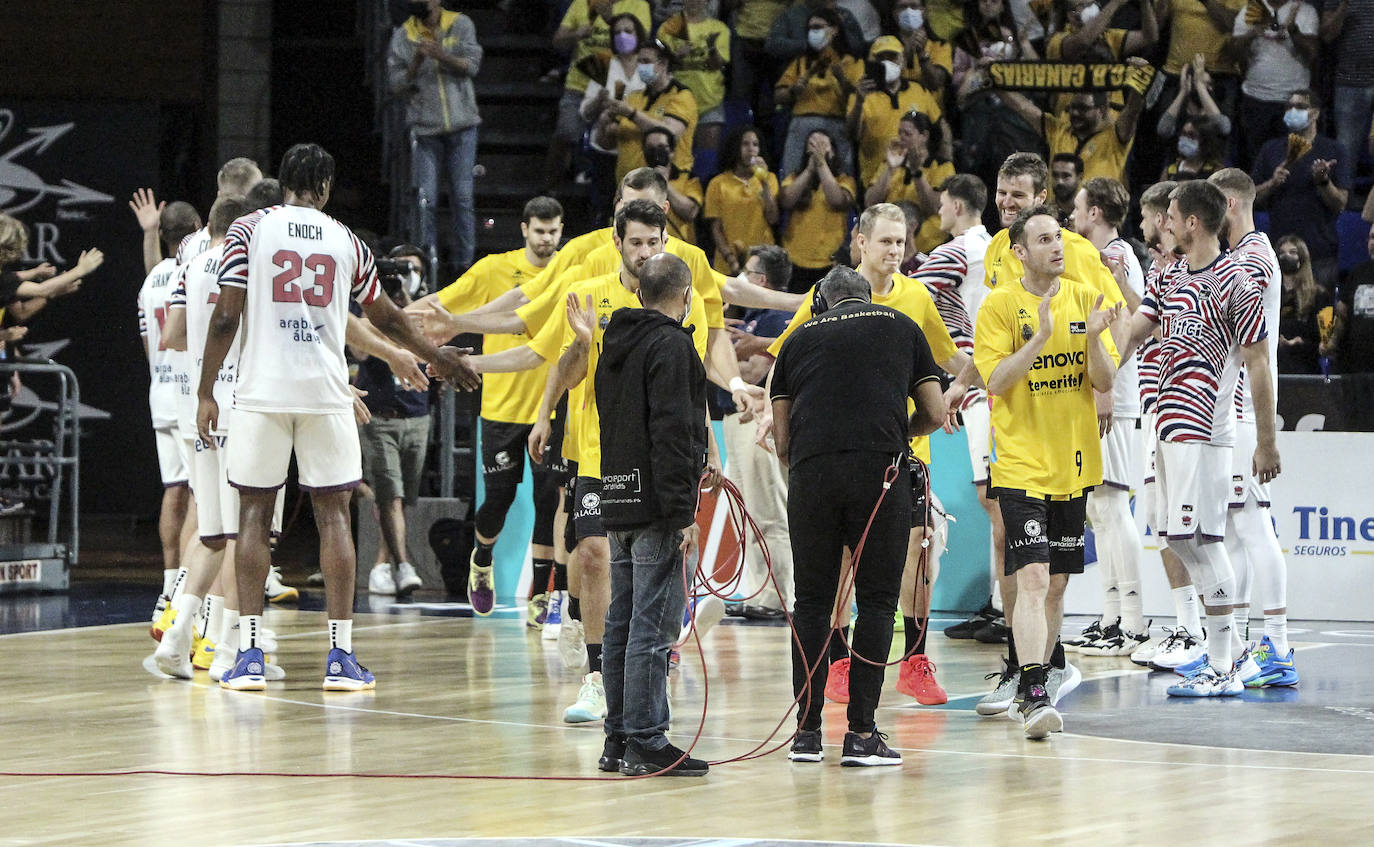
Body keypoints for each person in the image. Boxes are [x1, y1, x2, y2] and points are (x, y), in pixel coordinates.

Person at [198, 143, 481, 692]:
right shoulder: (346, 240)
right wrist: (439, 355)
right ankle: (341, 658)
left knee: (254, 516)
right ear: (324, 189)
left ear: (283, 184)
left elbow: (225, 317)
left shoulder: (249, 230)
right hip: (328, 394)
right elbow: (386, 317)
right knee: (334, 517)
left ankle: (250, 652)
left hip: (262, 392)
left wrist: (207, 390)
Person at [451, 199, 717, 724]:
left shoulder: (684, 301)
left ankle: (652, 658)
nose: (645, 251)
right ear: (616, 243)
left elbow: (689, 382)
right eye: (636, 241)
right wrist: (556, 392)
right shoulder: (586, 294)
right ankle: (596, 678)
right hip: (596, 452)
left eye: (654, 242)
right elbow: (562, 367)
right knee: (593, 553)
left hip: (657, 457)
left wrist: (703, 446)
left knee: (651, 562)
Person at [765, 203, 968, 707]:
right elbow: (785, 361)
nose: (895, 251)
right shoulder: (828, 292)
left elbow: (945, 357)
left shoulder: (917, 297)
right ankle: (836, 660)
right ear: (861, 242)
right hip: (837, 452)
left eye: (901, 242)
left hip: (899, 451)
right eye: (885, 242)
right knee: (837, 564)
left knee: (919, 552)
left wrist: (980, 372)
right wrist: (771, 413)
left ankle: (915, 659)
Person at [964, 152, 1126, 710]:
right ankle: (1028, 685)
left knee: (1056, 583)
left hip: (1074, 459)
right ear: (1019, 250)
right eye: (1044, 240)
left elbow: (1105, 371)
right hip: (1020, 460)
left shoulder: (1083, 288)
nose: (1057, 246)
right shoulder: (999, 305)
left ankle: (1042, 671)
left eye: (1058, 236)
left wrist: (1088, 341)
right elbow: (998, 380)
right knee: (1030, 576)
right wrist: (1038, 338)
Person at [770, 265, 945, 766]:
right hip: (879, 472)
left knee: (812, 604)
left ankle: (805, 734)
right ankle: (862, 734)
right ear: (867, 298)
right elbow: (934, 413)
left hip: (812, 476)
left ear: (821, 302)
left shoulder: (796, 340)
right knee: (875, 602)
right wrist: (896, 434)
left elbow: (782, 442)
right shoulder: (901, 325)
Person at [1116, 179, 1281, 698]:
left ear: (1192, 222)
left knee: (1205, 540)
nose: (1164, 220)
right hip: (1164, 426)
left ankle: (1223, 663)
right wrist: (1099, 367)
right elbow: (1135, 334)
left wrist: (1267, 441)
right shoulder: (1167, 278)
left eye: (1171, 212)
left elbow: (1259, 364)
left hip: (1207, 431)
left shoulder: (1237, 281)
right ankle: (1219, 656)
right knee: (1177, 539)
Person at [417, 197, 568, 618]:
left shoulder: (567, 275)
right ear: (523, 229)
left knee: (548, 501)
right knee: (498, 500)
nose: (547, 238)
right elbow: (441, 306)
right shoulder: (493, 269)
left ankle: (542, 592)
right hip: (501, 406)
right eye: (539, 230)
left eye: (554, 230)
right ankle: (481, 558)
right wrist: (388, 318)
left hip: (550, 409)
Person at [594, 252, 711, 777]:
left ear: (639, 292)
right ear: (685, 296)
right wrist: (682, 509)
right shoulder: (672, 344)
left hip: (616, 496)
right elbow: (672, 432)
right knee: (653, 627)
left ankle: (617, 738)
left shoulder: (613, 344)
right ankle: (647, 739)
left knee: (621, 621)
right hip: (658, 507)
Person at [152, 196, 253, 679]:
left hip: (197, 406)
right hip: (236, 406)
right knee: (239, 536)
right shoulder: (244, 263)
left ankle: (175, 638)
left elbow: (171, 335)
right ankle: (224, 650)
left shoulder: (188, 267)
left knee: (211, 533)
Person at [1209, 168, 1299, 687]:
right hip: (1233, 409)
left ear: (1229, 204)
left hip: (1245, 409)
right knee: (1239, 532)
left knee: (1252, 526)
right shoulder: (1242, 254)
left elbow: (1249, 343)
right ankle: (1242, 643)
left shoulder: (1255, 257)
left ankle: (1279, 646)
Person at [914, 175, 1005, 643]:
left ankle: (1007, 610)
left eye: (942, 204)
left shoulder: (957, 251)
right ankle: (997, 604)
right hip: (983, 381)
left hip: (978, 381)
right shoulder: (990, 246)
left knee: (996, 499)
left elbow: (905, 296)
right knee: (994, 498)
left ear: (954, 205)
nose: (939, 213)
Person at [1068, 177, 1149, 657]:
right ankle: (1111, 617)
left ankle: (1134, 624)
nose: (1072, 217)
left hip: (1114, 397)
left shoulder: (1118, 259)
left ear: (1095, 212)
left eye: (1078, 208)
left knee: (1114, 509)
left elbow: (1129, 329)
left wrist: (1107, 388)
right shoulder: (1099, 259)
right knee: (1099, 509)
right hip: (1100, 392)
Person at [1131, 180, 1207, 671]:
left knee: (1185, 528)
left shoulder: (1186, 276)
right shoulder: (1160, 275)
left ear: (1167, 221)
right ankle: (1188, 625)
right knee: (1162, 524)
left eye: (1151, 218)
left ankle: (1200, 630)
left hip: (1179, 415)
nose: (1145, 226)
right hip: (1154, 413)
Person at [355, 245, 436, 600]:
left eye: (412, 270)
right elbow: (359, 348)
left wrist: (405, 301)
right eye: (400, 271)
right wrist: (388, 308)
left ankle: (380, 566)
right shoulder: (370, 308)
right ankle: (402, 565)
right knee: (389, 495)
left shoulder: (430, 307)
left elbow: (426, 345)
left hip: (417, 414)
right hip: (380, 415)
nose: (406, 277)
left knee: (401, 499)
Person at [134, 202, 200, 625]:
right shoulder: (196, 270)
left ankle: (169, 587)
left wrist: (147, 233)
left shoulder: (149, 282)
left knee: (173, 489)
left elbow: (147, 346)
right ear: (196, 229)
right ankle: (194, 594)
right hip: (192, 393)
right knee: (201, 494)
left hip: (160, 392)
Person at [722, 246, 796, 618]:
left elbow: (752, 374)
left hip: (758, 419)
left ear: (760, 280)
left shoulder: (774, 320)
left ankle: (778, 597)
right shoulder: (750, 319)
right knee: (749, 512)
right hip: (736, 420)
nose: (738, 278)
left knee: (768, 511)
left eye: (745, 272)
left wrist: (723, 356)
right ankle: (757, 591)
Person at [386, 0, 483, 273]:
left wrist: (442, 56)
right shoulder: (403, 34)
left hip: (463, 126)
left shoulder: (460, 24)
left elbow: (472, 65)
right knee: (424, 200)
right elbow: (395, 85)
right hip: (425, 129)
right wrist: (416, 63)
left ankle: (465, 265)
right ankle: (424, 266)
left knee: (463, 198)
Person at [1252, 89, 1350, 291]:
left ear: (1315, 113)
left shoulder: (1334, 150)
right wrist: (1272, 183)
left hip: (1319, 252)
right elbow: (1250, 198)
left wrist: (1323, 182)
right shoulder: (1271, 149)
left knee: (1321, 317)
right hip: (1281, 250)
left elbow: (1340, 203)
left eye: (1300, 106)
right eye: (1289, 107)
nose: (1293, 110)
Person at [548, 0, 652, 188]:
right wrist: (576, 34)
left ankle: (596, 175)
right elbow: (558, 41)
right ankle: (551, 186)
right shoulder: (583, 3)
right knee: (566, 131)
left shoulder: (638, 4)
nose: (622, 35)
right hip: (580, 82)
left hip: (619, 78)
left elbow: (641, 40)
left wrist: (611, 20)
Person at [997, 68, 1149, 187]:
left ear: (1102, 110)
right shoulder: (1058, 130)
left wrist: (1141, 75)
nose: (1075, 113)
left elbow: (1132, 111)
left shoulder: (1115, 136)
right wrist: (994, 78)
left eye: (1083, 108)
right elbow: (1022, 106)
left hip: (1099, 221)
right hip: (1058, 221)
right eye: (1073, 107)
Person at [774, 8, 863, 177]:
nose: (812, 32)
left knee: (842, 177)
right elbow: (778, 96)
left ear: (834, 30)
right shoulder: (801, 62)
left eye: (818, 27)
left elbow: (858, 97)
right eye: (810, 28)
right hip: (802, 122)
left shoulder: (850, 62)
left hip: (837, 123)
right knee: (791, 176)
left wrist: (842, 79)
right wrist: (794, 91)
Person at [1231, 0, 1320, 170]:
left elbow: (1312, 54)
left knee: (1294, 161)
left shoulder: (1304, 11)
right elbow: (1232, 53)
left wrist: (1293, 31)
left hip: (1293, 102)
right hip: (1256, 99)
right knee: (1256, 161)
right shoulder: (1251, 11)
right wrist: (1252, 33)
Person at [597, 39, 699, 185]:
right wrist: (604, 121)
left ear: (663, 64)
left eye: (646, 61)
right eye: (639, 61)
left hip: (665, 185)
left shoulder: (681, 96)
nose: (641, 66)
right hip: (626, 186)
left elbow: (670, 133)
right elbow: (606, 144)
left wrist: (631, 114)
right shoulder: (633, 98)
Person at [847, 35, 943, 188]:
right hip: (876, 181)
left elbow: (938, 128)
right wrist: (859, 102)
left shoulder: (918, 90)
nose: (887, 63)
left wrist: (945, 157)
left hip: (915, 180)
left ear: (903, 60)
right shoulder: (860, 95)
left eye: (892, 57)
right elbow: (852, 135)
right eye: (881, 58)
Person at [864, 111, 955, 254]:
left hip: (927, 246)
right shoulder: (890, 163)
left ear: (924, 136)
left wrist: (916, 173)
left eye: (907, 134)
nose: (901, 138)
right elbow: (870, 202)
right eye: (900, 133)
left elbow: (934, 207)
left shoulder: (942, 166)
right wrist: (889, 168)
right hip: (891, 243)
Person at [779, 130, 854, 290]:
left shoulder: (844, 180)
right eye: (813, 145)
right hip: (795, 259)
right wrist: (809, 171)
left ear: (833, 152)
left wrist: (821, 163)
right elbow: (787, 200)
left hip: (829, 261)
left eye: (822, 145)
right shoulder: (793, 178)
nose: (817, 150)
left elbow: (837, 200)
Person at [657, 0, 731, 155]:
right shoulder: (667, 28)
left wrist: (711, 48)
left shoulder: (719, 28)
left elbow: (717, 65)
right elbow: (657, 67)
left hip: (709, 103)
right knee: (675, 156)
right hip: (676, 102)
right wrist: (676, 57)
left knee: (707, 159)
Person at [704, 125, 780, 273]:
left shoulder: (770, 179)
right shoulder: (718, 183)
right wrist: (730, 258)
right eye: (745, 144)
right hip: (728, 263)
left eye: (755, 144)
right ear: (735, 147)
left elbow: (773, 218)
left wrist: (763, 181)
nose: (751, 149)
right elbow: (716, 228)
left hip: (762, 263)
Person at [1318, 0, 1374, 189]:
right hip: (1350, 79)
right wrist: (1343, 7)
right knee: (1347, 146)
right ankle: (1342, 198)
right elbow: (1327, 35)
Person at [1273, 235, 1331, 374]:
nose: (1286, 256)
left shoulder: (1320, 295)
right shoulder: (1270, 295)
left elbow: (1325, 339)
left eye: (1292, 252)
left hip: (1305, 366)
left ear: (1302, 258)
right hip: (1274, 365)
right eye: (1281, 253)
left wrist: (1301, 343)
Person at [643, 128, 704, 246]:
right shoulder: (635, 181)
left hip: (681, 252)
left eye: (661, 147)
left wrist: (663, 184)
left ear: (671, 151)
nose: (656, 152)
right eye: (650, 148)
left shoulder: (689, 178)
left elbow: (690, 213)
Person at [1329, 226, 1374, 373]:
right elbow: (1343, 313)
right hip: (1357, 366)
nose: (1372, 243)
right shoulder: (1358, 273)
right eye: (1371, 238)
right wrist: (1332, 341)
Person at [1162, 114, 1227, 181]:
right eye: (1183, 134)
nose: (1186, 139)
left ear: (1204, 140)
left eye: (1191, 135)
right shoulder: (1170, 170)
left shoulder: (1216, 171)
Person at [1050, 153, 1084, 221]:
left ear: (1080, 177)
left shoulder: (1089, 217)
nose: (1059, 181)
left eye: (1066, 176)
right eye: (1055, 175)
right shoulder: (1043, 214)